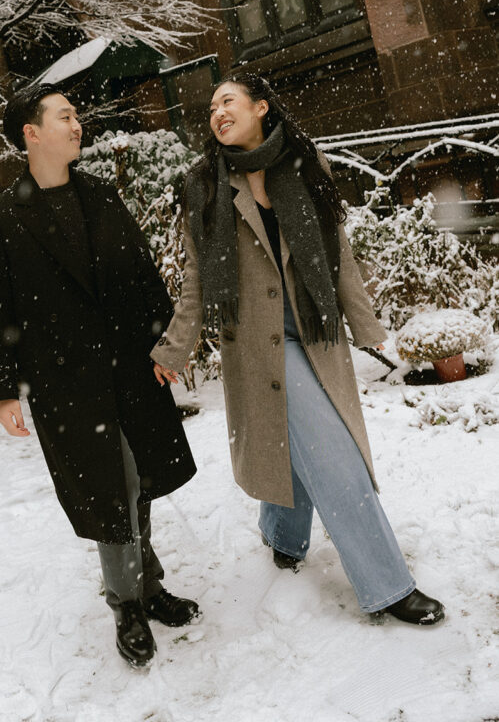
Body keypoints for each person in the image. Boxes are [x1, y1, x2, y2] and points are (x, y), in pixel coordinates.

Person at [151, 72, 444, 626]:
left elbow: (339, 254)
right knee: (336, 455)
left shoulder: (307, 168)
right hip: (258, 343)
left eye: (228, 100)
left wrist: (364, 321)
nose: (217, 111)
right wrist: (176, 347)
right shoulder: (204, 186)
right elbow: (196, 276)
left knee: (297, 437)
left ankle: (283, 535)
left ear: (261, 107)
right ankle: (388, 585)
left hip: (316, 329)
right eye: (211, 105)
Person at [0, 81, 200, 668]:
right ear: (31, 132)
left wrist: (168, 347)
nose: (77, 125)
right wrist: (2, 393)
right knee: (110, 488)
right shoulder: (2, 219)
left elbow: (143, 274)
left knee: (139, 478)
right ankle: (128, 601)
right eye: (65, 117)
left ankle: (145, 587)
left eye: (76, 117)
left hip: (128, 366)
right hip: (65, 385)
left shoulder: (100, 194)